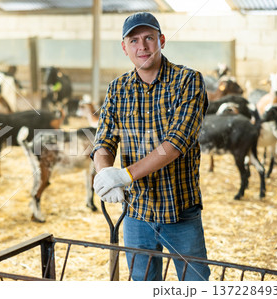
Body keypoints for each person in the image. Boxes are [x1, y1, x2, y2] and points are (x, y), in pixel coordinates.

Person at [90, 12, 211, 281]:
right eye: (133, 40)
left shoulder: (188, 81)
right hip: (136, 212)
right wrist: (105, 173)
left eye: (148, 38)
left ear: (162, 41)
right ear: (124, 48)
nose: (141, 47)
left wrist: (124, 175)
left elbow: (176, 142)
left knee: (196, 284)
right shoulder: (117, 88)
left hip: (180, 211)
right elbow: (104, 140)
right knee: (142, 284)